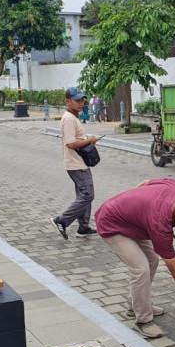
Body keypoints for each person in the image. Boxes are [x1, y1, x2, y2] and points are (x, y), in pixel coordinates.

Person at [95, 178, 175, 338]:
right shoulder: (160, 224)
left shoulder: (174, 187)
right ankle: (143, 321)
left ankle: (136, 305)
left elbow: (145, 183)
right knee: (140, 269)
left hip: (137, 223)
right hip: (112, 224)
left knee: (152, 261)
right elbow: (174, 268)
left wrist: (135, 208)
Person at [50, 87, 101, 240]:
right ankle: (61, 220)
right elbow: (70, 143)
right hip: (75, 164)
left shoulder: (73, 117)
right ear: (68, 101)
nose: (81, 103)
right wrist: (90, 140)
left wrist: (88, 141)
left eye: (82, 100)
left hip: (79, 162)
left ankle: (83, 227)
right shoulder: (69, 119)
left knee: (83, 194)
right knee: (87, 195)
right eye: (77, 100)